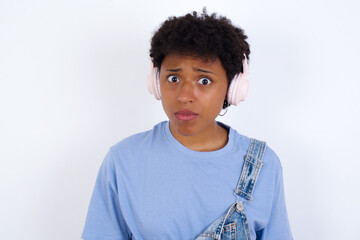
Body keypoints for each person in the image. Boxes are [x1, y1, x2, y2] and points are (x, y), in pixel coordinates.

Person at [81, 8, 292, 240]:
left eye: (204, 80)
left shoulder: (263, 165)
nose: (184, 95)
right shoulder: (123, 160)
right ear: (156, 81)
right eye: (174, 78)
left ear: (232, 88)